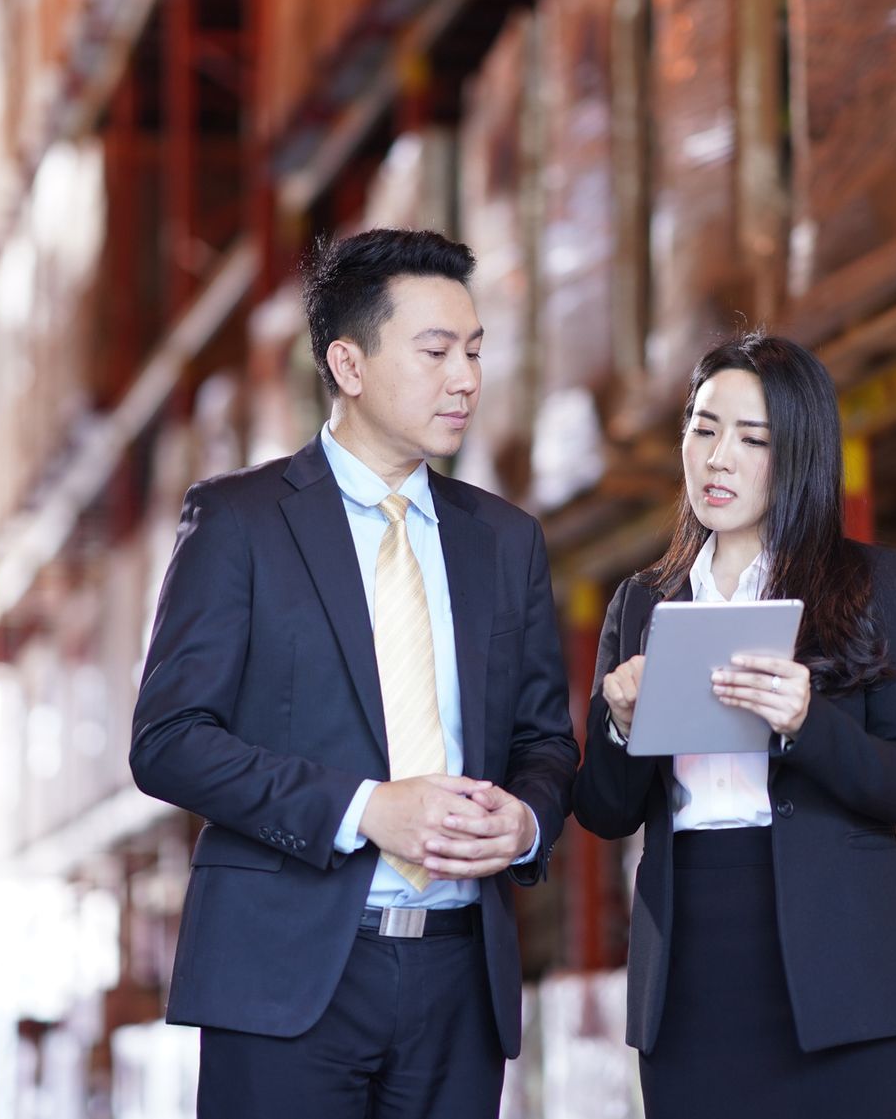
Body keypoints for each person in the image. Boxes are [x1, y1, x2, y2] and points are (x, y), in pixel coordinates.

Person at [129, 229, 578, 1119]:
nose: (467, 379)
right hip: (286, 979)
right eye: (437, 350)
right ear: (349, 361)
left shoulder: (504, 539)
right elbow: (169, 742)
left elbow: (544, 740)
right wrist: (367, 807)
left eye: (477, 351)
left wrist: (526, 819)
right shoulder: (240, 523)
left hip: (459, 979)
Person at [573, 332, 896, 1116]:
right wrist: (617, 722)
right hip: (694, 974)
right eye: (704, 428)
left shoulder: (870, 583)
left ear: (798, 453)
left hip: (844, 969)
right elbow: (605, 811)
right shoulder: (643, 602)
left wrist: (808, 721)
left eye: (752, 439)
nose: (719, 459)